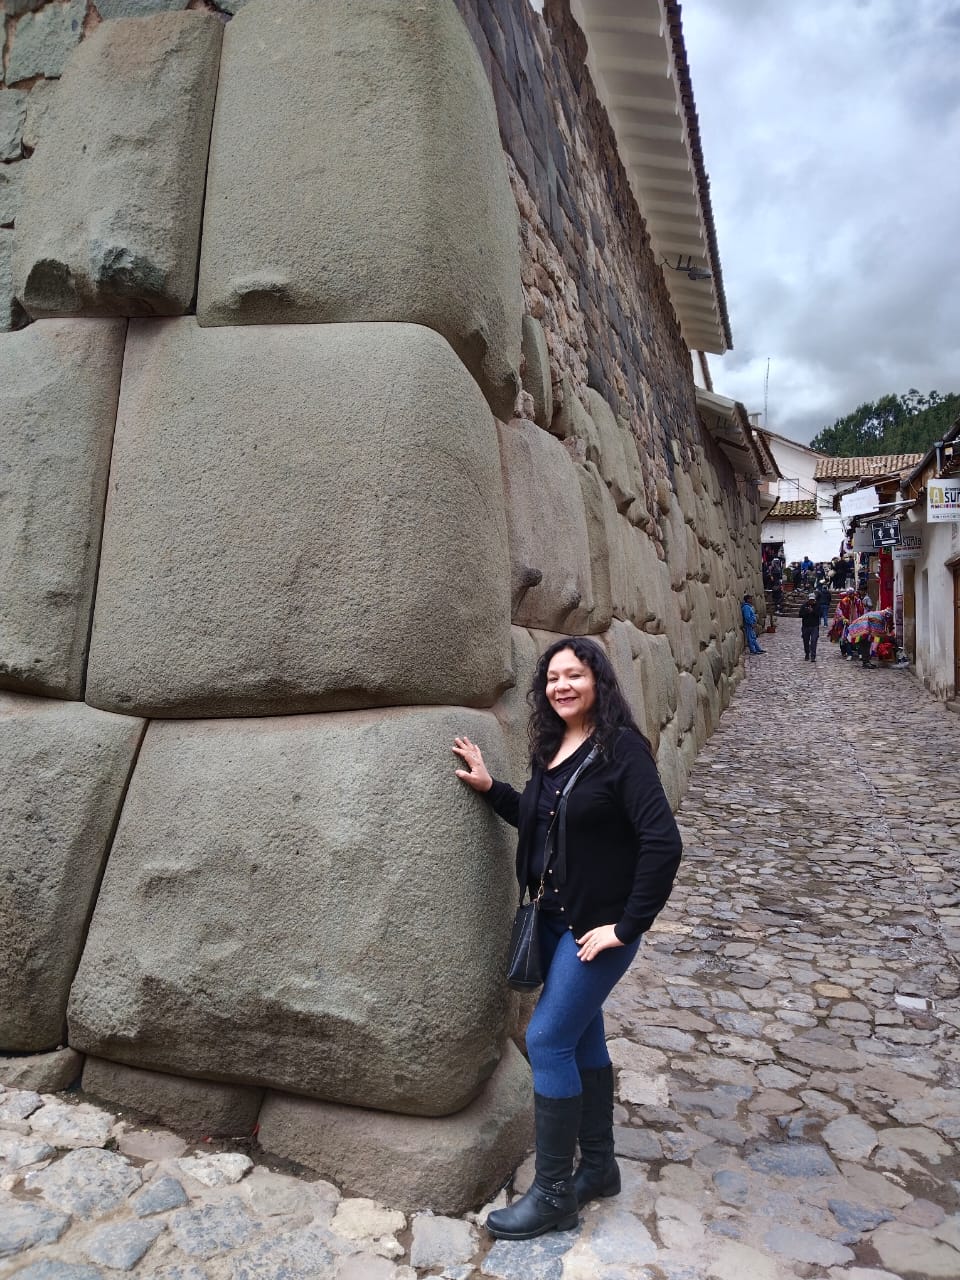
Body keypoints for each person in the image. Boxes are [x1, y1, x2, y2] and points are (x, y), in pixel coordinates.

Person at [452, 638, 682, 1241]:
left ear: (597, 680)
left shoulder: (622, 751)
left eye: (574, 675)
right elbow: (542, 820)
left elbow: (663, 843)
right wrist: (491, 787)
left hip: (596, 931)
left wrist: (627, 927)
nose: (561, 686)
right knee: (581, 1036)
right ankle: (599, 1167)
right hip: (553, 922)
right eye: (552, 677)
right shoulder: (552, 747)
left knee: (548, 1039)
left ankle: (554, 1194)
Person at [799, 591, 820, 662]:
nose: (811, 601)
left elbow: (819, 614)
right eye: (810, 600)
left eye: (813, 600)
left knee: (814, 641)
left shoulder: (817, 606)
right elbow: (800, 614)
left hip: (814, 626)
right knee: (806, 641)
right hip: (806, 626)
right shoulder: (804, 606)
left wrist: (813, 611)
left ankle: (813, 656)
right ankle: (807, 654)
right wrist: (807, 612)